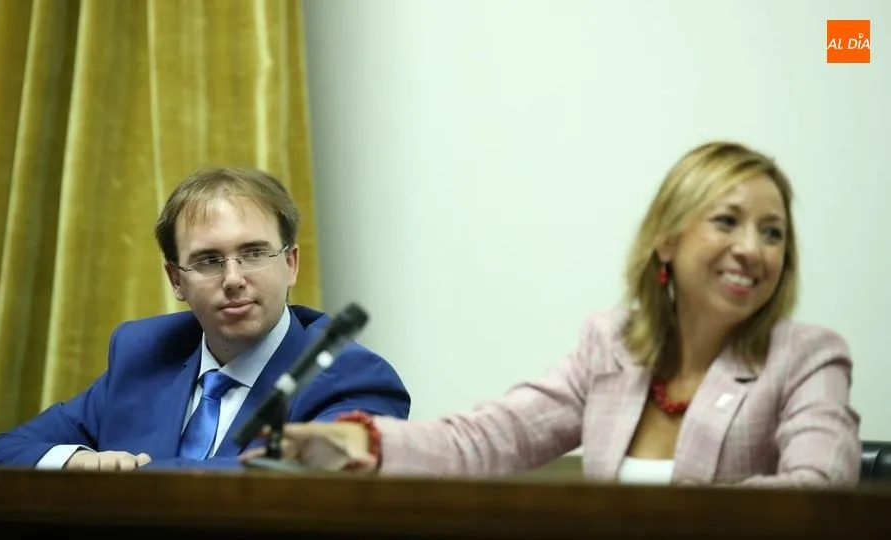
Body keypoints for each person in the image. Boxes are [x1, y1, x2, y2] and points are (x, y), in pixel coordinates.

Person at [240, 141, 862, 486]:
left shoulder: (807, 357)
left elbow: (819, 491)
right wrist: (356, 441)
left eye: (774, 233)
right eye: (727, 221)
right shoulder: (613, 346)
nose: (752, 249)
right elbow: (491, 437)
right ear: (667, 240)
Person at [0, 166, 410, 470]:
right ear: (176, 280)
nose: (234, 279)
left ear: (290, 264)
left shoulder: (349, 375)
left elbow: (290, 487)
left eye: (253, 254)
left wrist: (120, 486)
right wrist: (77, 460)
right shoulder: (144, 355)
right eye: (208, 261)